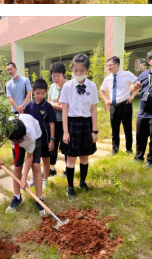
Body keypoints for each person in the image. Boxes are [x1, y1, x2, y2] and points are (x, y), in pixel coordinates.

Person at [59, 53, 99, 201]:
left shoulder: (92, 86)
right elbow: (64, 109)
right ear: (72, 70)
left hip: (87, 124)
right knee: (70, 158)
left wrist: (94, 130)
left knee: (84, 156)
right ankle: (70, 187)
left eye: (81, 71)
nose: (78, 74)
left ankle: (82, 182)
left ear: (87, 71)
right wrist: (65, 132)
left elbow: (93, 109)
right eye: (75, 71)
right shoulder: (67, 86)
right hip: (72, 123)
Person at [0, 114, 46, 216]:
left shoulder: (31, 135)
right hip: (16, 135)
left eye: (20, 141)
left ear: (24, 135)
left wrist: (24, 178)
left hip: (36, 134)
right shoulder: (6, 129)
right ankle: (17, 198)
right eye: (15, 141)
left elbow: (29, 157)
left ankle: (39, 200)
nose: (19, 143)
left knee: (35, 166)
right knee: (17, 167)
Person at [99, 56, 141, 156]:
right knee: (114, 129)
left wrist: (132, 96)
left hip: (125, 105)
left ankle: (129, 150)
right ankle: (114, 150)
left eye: (110, 65)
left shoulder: (127, 74)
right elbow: (101, 90)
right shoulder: (107, 78)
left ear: (117, 64)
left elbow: (139, 84)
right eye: (107, 65)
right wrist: (106, 100)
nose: (108, 67)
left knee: (127, 128)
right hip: (113, 107)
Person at [24, 79, 56, 190]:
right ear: (33, 92)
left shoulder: (48, 106)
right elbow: (25, 122)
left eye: (43, 93)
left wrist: (52, 139)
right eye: (38, 93)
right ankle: (34, 178)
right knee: (34, 161)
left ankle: (45, 179)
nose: (40, 95)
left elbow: (52, 123)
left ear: (46, 92)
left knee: (46, 159)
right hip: (33, 140)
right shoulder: (28, 106)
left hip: (45, 139)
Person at [48, 62, 67, 176]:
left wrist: (54, 105)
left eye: (58, 75)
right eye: (53, 76)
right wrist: (56, 105)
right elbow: (49, 101)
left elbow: (67, 105)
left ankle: (67, 169)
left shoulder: (69, 85)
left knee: (65, 146)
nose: (55, 78)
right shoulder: (51, 87)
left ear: (63, 74)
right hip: (54, 121)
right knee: (52, 145)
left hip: (65, 121)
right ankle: (52, 168)